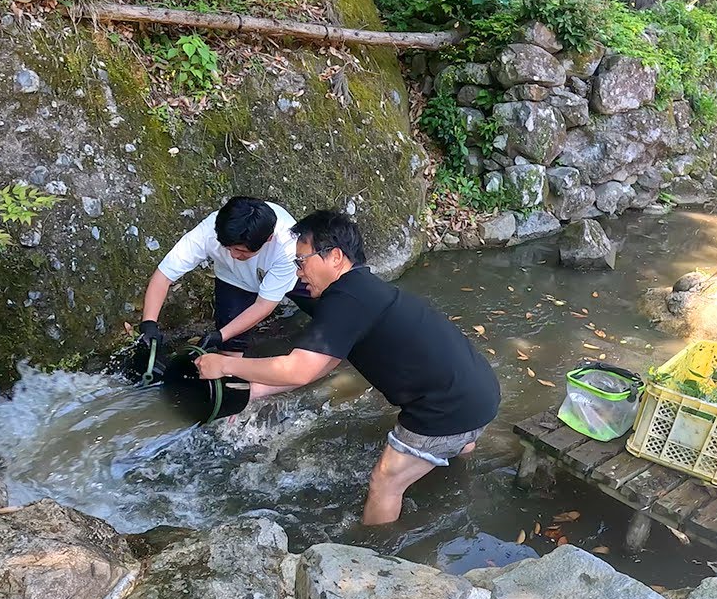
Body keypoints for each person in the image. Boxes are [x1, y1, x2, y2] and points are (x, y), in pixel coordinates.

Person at [194, 210, 500, 525]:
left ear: (336, 257)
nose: (298, 272)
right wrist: (248, 393)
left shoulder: (345, 301)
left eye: (302, 261)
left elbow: (297, 368)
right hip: (480, 391)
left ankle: (374, 557)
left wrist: (224, 364)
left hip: (447, 410)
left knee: (384, 483)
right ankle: (459, 472)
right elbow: (317, 366)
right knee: (454, 441)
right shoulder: (360, 289)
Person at [138, 196, 312, 356]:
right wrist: (149, 323)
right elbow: (164, 275)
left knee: (330, 313)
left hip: (295, 277)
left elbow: (263, 305)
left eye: (241, 251)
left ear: (268, 239)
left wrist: (220, 335)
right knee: (230, 351)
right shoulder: (209, 231)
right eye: (228, 248)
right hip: (234, 280)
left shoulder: (287, 245)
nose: (234, 256)